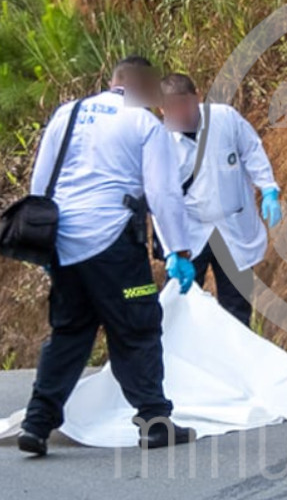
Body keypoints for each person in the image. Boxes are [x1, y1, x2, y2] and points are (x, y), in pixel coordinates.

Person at [17, 56, 199, 456]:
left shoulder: (67, 113)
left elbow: (40, 183)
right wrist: (178, 251)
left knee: (69, 332)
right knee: (138, 323)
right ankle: (154, 422)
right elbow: (164, 193)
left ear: (113, 81)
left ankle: (37, 422)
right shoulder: (143, 123)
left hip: (65, 248)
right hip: (114, 249)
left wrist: (48, 249)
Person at [157, 73, 282, 326]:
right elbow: (161, 201)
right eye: (173, 109)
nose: (182, 114)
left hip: (232, 227)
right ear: (162, 110)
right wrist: (172, 251)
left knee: (237, 307)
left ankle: (236, 362)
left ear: (198, 98)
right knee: (183, 308)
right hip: (190, 232)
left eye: (185, 105)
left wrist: (268, 188)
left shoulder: (224, 118)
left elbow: (252, 149)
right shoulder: (160, 143)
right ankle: (186, 361)